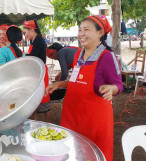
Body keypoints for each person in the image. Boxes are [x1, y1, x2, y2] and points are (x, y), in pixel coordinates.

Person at [45, 15, 123, 161]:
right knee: (72, 153)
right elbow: (76, 81)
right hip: (72, 116)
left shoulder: (106, 57)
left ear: (100, 33)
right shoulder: (77, 55)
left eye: (86, 29)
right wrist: (59, 84)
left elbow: (119, 84)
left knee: (94, 156)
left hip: (93, 121)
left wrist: (111, 89)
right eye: (80, 29)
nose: (81, 33)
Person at [23, 20, 50, 113]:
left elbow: (33, 57)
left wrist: (22, 57)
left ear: (31, 30)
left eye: (25, 32)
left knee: (43, 100)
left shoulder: (38, 41)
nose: (25, 35)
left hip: (41, 71)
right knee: (37, 100)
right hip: (37, 70)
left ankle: (46, 124)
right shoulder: (34, 41)